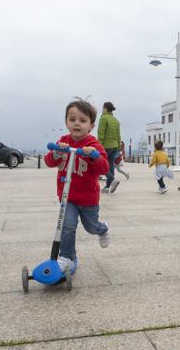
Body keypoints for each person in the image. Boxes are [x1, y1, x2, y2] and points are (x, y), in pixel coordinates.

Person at [44, 99, 111, 274]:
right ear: (66, 122)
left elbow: (104, 168)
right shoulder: (63, 142)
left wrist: (94, 156)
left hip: (88, 198)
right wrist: (57, 151)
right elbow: (49, 161)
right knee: (67, 226)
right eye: (72, 119)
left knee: (90, 227)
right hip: (68, 197)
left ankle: (102, 228)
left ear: (91, 125)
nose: (77, 123)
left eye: (82, 120)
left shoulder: (93, 145)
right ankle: (67, 257)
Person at [98, 101, 122, 194]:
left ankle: (112, 180)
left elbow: (101, 133)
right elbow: (118, 135)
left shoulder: (103, 118)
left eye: (102, 108)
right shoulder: (115, 120)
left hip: (106, 146)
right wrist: (119, 146)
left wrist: (99, 146)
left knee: (100, 164)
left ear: (105, 109)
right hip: (115, 146)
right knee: (110, 166)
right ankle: (108, 187)